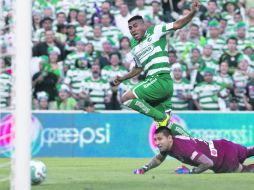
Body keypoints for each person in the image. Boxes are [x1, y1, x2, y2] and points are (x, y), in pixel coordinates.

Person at [113, 1, 200, 128]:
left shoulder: (155, 30)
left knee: (126, 98)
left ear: (144, 25)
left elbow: (178, 24)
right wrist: (122, 78)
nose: (132, 30)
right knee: (165, 130)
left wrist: (192, 12)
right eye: (130, 28)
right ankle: (194, 143)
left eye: (135, 26)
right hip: (161, 85)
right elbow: (138, 68)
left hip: (159, 79)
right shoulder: (133, 45)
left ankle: (161, 117)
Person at [134, 127, 254, 175]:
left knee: (244, 170)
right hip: (224, 145)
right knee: (249, 151)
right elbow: (158, 158)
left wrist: (190, 172)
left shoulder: (182, 147)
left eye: (160, 139)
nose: (157, 142)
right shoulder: (169, 146)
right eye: (155, 140)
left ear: (170, 138)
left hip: (223, 160)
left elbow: (208, 163)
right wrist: (145, 168)